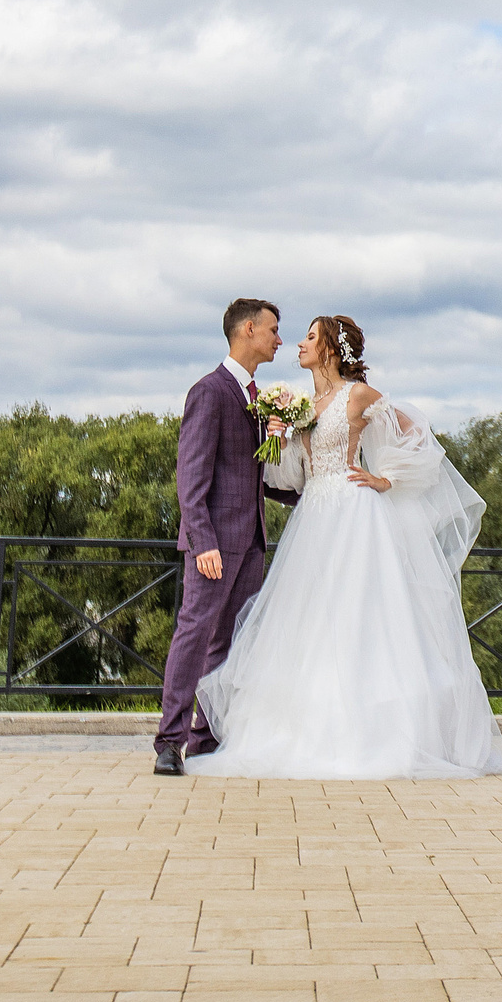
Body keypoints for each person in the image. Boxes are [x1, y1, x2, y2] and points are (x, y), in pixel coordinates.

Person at [186, 314, 502, 780]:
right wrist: (278, 439)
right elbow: (289, 478)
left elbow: (418, 434)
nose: (298, 343)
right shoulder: (305, 406)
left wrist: (386, 478)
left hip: (355, 516)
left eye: (310, 337)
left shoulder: (357, 395)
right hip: (313, 517)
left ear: (331, 350)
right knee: (309, 624)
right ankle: (304, 732)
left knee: (358, 622)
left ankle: (368, 734)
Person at [153, 298, 298, 776]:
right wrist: (203, 542)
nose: (280, 339)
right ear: (249, 329)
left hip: (252, 542)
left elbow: (253, 475)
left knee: (230, 643)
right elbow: (190, 478)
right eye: (274, 330)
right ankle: (169, 743)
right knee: (194, 635)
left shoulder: (256, 398)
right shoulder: (210, 392)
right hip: (214, 544)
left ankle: (206, 739)